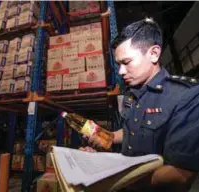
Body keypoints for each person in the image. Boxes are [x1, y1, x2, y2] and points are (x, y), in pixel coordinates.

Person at [80, 17, 199, 192]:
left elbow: (180, 174)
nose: (121, 71)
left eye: (126, 62)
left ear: (154, 54)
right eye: (118, 64)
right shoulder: (132, 91)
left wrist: (112, 176)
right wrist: (109, 137)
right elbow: (132, 129)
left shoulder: (185, 96)